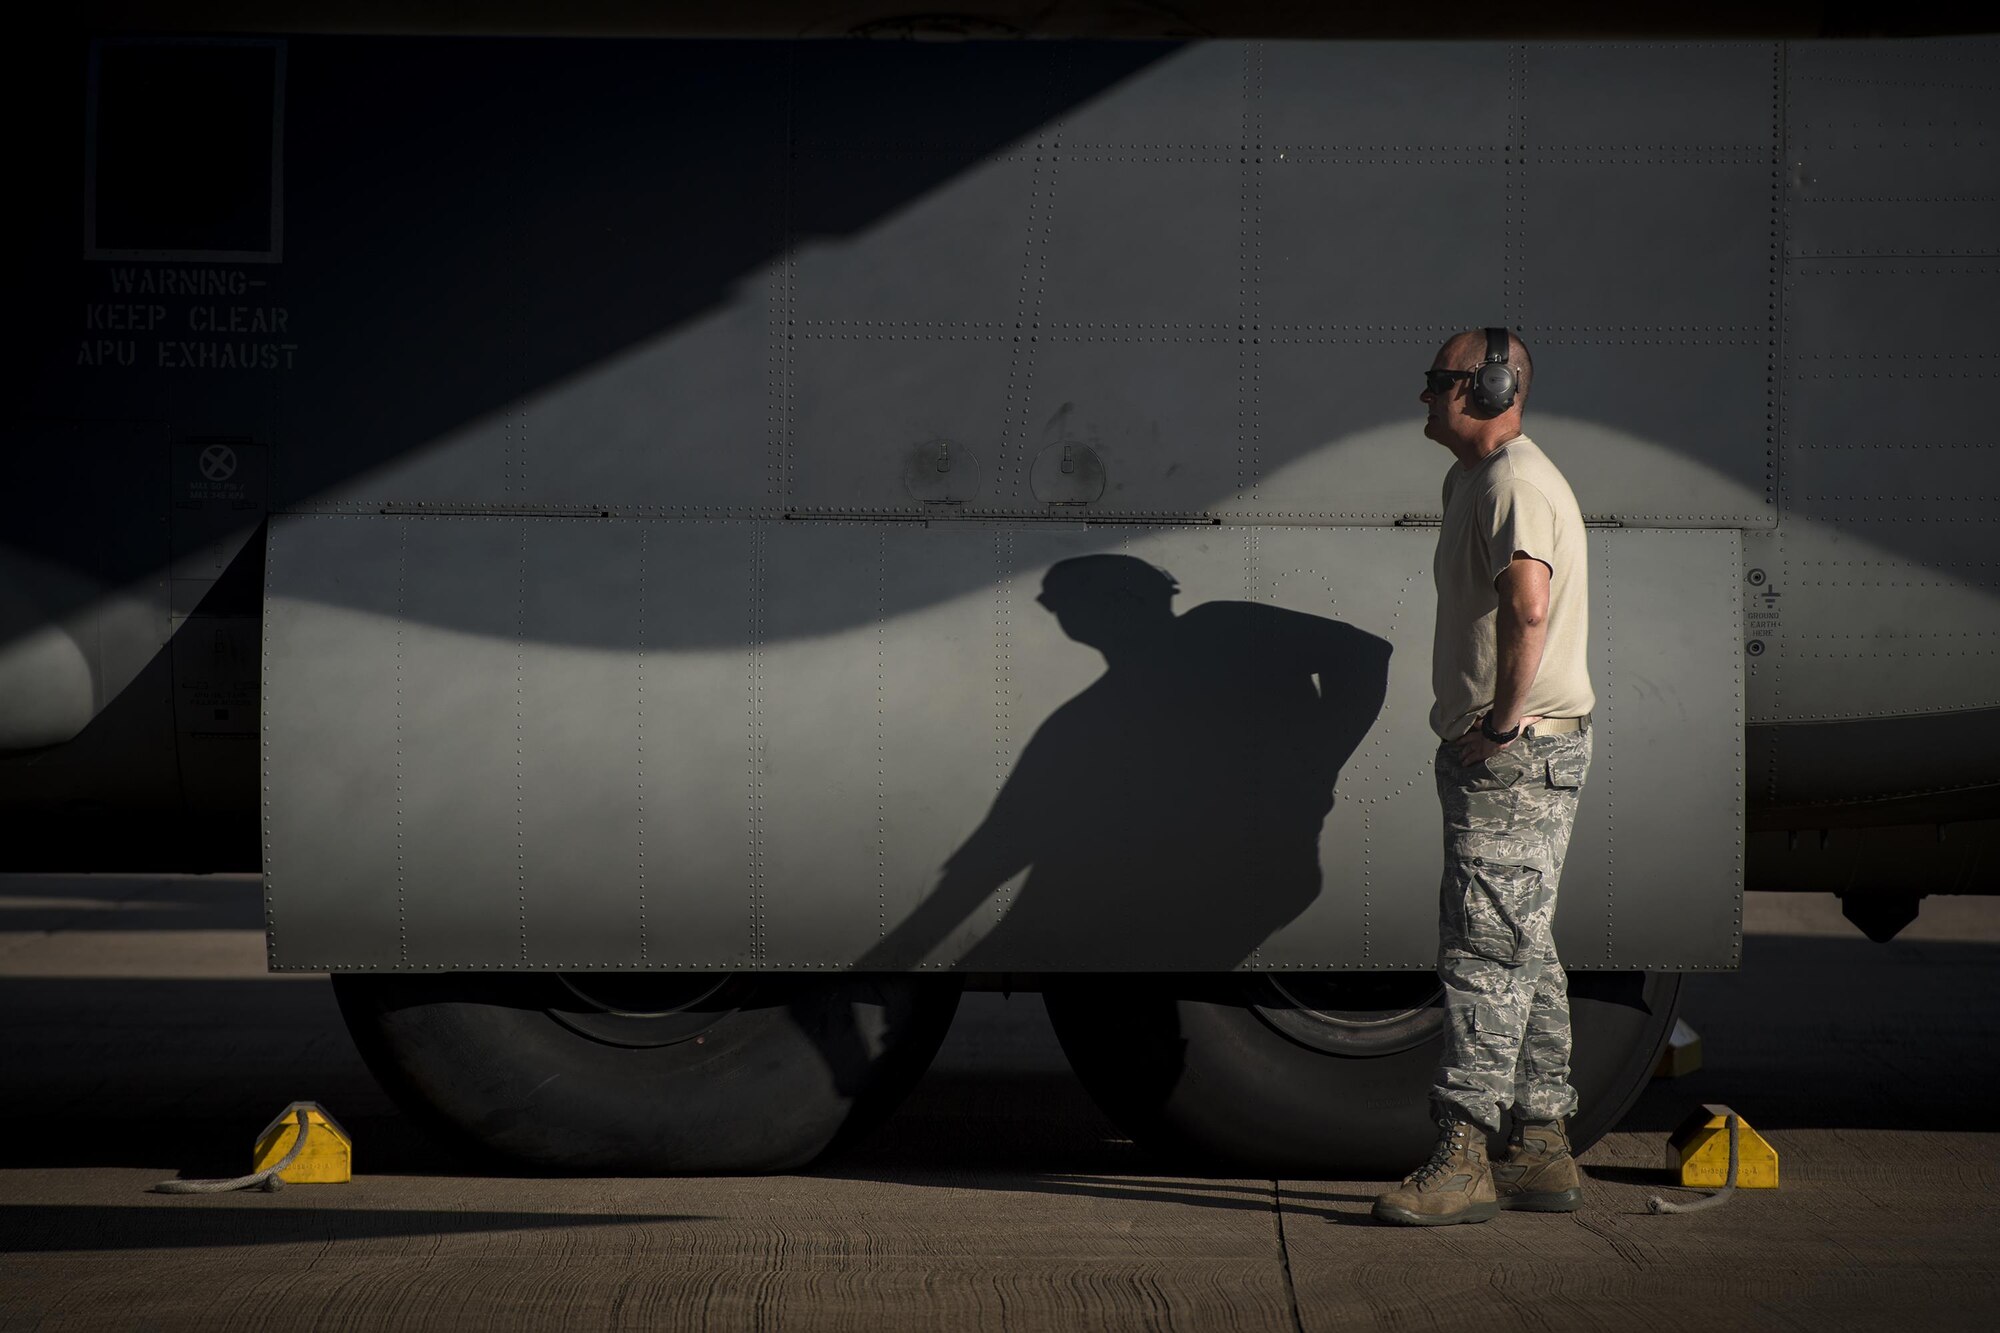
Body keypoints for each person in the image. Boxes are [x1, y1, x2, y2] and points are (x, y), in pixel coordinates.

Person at [1372, 328, 1597, 1227]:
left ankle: (1464, 1152)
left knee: (1482, 952)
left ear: (1493, 385)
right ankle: (1541, 1145)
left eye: (1439, 381)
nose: (1425, 396)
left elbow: (1528, 605)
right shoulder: (1475, 478)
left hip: (1518, 754)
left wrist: (1502, 723)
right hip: (1524, 753)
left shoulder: (1513, 483)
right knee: (1524, 945)